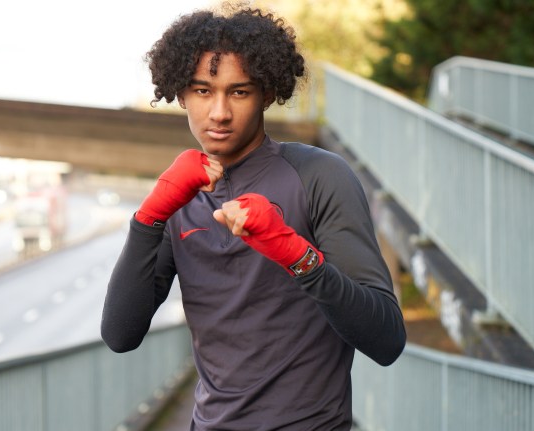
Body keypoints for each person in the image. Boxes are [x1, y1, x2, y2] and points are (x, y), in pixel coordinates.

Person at [101, 5, 406, 430]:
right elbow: (120, 334)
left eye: (239, 92)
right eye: (203, 91)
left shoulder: (320, 176)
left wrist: (298, 255)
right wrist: (149, 216)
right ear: (181, 93)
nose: (220, 112)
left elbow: (387, 339)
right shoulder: (178, 199)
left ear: (266, 93)